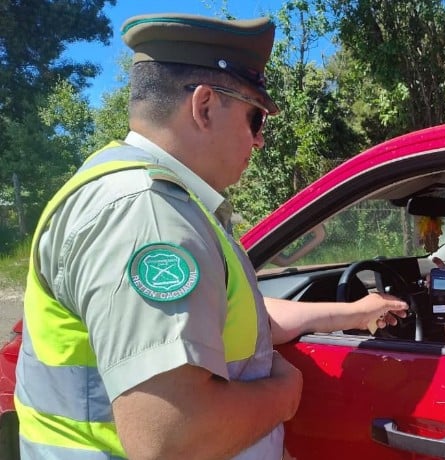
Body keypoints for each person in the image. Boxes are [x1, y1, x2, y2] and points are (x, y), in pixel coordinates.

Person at [14, 13, 407, 460]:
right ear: (203, 106)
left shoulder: (156, 199)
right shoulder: (148, 215)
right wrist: (285, 393)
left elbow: (227, 317)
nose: (259, 141)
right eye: (255, 118)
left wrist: (354, 312)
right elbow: (173, 436)